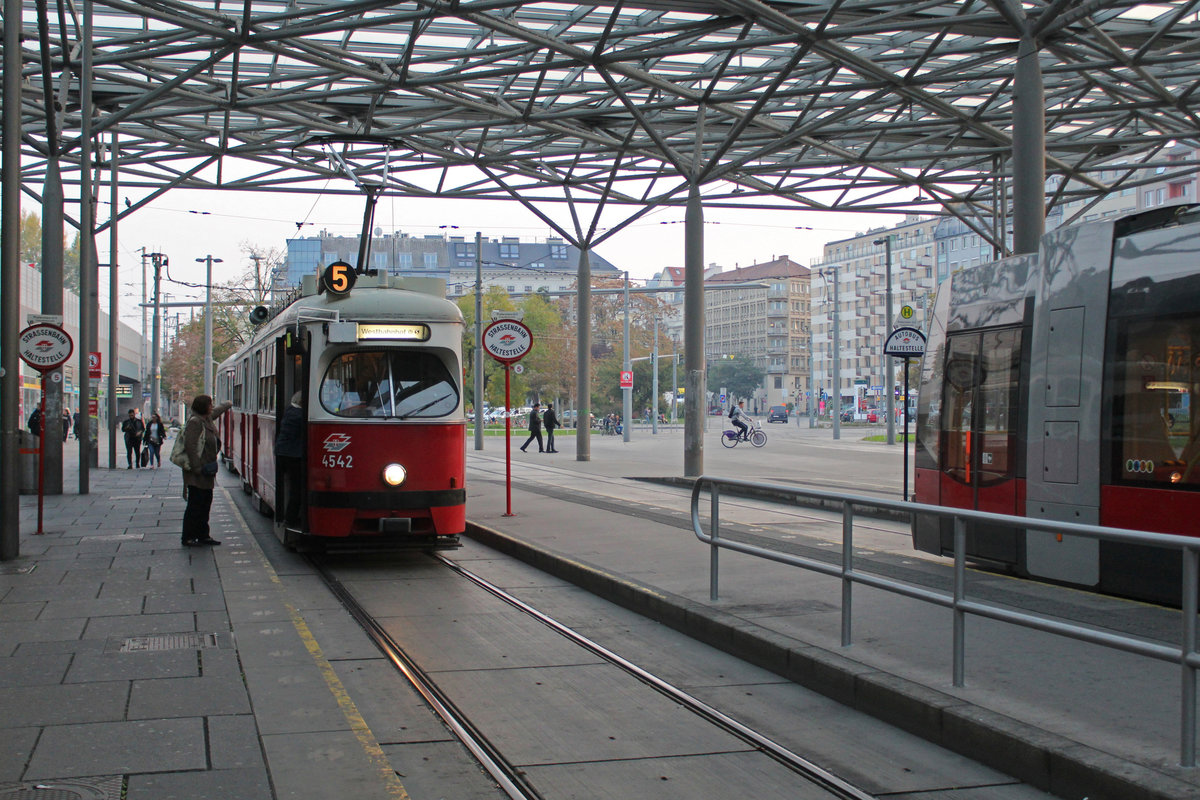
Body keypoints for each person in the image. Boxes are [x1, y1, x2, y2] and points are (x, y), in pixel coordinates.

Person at [180, 394, 233, 546]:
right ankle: (188, 536)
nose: (212, 407)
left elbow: (216, 411)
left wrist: (227, 404)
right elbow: (190, 446)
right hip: (198, 472)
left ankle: (203, 534)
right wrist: (197, 467)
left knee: (205, 503)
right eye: (209, 404)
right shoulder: (195, 422)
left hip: (206, 470)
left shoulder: (206, 419)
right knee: (195, 505)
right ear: (203, 407)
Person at [274, 391, 306, 526]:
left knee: (294, 487)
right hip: (293, 456)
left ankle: (290, 517)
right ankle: (291, 519)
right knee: (297, 489)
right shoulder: (299, 416)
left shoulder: (290, 411)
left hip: (284, 454)